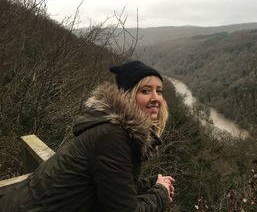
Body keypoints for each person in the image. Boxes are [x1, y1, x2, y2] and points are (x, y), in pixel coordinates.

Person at [0, 60, 175, 211]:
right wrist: (160, 194)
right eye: (145, 91)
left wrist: (152, 183)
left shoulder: (114, 130)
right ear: (128, 96)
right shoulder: (113, 137)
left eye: (159, 91)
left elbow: (112, 183)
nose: (156, 98)